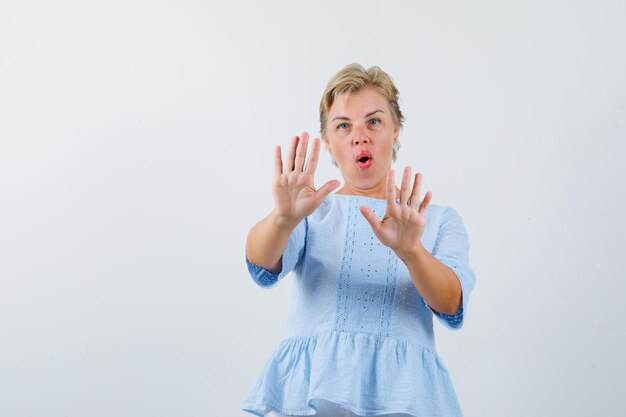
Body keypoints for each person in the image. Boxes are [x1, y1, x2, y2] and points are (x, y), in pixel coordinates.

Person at [242, 63, 477, 417]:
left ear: (396, 130)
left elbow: (451, 303)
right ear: (328, 144)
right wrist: (283, 218)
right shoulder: (312, 212)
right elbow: (261, 263)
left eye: (374, 121)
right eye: (343, 126)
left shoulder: (437, 219)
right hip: (319, 401)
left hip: (406, 400)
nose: (359, 135)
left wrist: (411, 251)